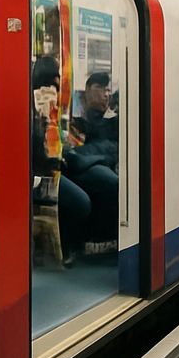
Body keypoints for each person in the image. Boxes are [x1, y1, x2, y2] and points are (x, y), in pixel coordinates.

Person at [32, 56, 90, 265]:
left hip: (50, 166)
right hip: (38, 174)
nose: (59, 81)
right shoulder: (36, 105)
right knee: (80, 202)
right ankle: (68, 248)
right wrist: (41, 120)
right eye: (56, 75)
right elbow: (35, 150)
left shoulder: (56, 105)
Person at [67, 72, 119, 246]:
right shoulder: (75, 115)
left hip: (89, 163)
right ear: (88, 89)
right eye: (100, 88)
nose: (105, 94)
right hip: (74, 165)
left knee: (112, 183)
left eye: (107, 90)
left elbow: (113, 147)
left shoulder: (112, 120)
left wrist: (82, 154)